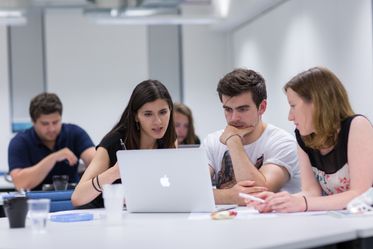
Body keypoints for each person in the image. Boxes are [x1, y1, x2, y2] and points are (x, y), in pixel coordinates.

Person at [250, 67, 373, 213]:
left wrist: (302, 203)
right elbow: (310, 192)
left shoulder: (357, 125)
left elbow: (359, 194)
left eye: (293, 106)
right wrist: (278, 201)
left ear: (317, 103)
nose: (290, 116)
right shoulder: (304, 137)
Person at [202, 68, 301, 206]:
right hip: (226, 223)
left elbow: (257, 194)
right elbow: (191, 191)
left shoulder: (282, 142)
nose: (234, 118)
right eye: (228, 109)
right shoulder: (212, 141)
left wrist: (234, 141)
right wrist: (229, 196)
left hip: (272, 224)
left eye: (242, 109)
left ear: (262, 107)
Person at [71, 80, 177, 208]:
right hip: (104, 216)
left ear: (170, 110)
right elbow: (77, 197)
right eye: (148, 114)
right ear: (136, 116)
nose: (158, 121)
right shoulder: (113, 141)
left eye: (163, 112)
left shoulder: (169, 140)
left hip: (144, 215)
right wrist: (114, 173)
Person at [8, 92, 95, 191]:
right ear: (33, 121)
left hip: (73, 199)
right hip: (36, 203)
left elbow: (97, 162)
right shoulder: (20, 142)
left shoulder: (75, 133)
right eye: (45, 124)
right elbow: (20, 183)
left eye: (55, 122)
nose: (51, 129)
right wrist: (54, 158)